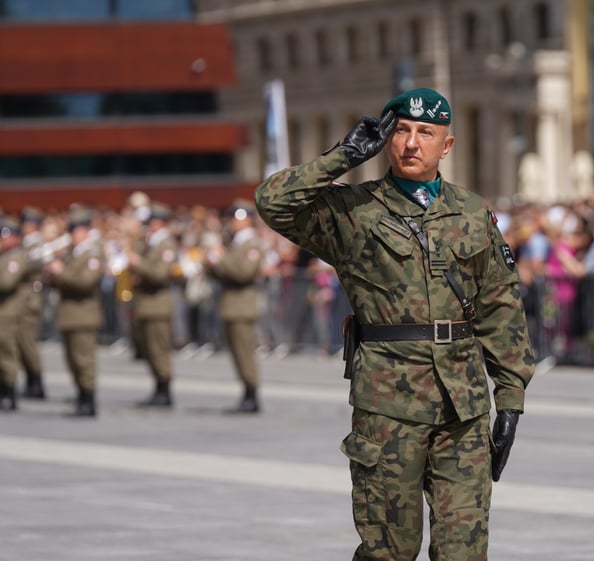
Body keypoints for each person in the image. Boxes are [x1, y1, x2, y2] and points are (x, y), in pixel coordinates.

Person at [255, 87, 535, 560]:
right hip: (388, 409)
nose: (411, 143)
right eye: (401, 131)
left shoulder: (471, 213)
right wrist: (342, 156)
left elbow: (500, 305)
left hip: (462, 410)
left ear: (446, 146)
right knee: (388, 551)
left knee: (465, 552)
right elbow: (272, 202)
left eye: (425, 133)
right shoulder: (353, 211)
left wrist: (510, 396)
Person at [204, 199, 264, 413]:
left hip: (242, 306)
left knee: (245, 352)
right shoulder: (234, 243)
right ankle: (246, 392)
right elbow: (223, 273)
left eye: (237, 218)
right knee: (237, 353)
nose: (232, 222)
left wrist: (221, 259)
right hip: (231, 305)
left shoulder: (251, 244)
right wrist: (211, 264)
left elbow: (243, 273)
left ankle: (251, 394)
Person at [44, 206, 104, 417]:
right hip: (69, 315)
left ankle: (88, 400)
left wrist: (61, 272)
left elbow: (86, 282)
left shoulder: (93, 253)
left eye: (74, 230)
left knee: (84, 361)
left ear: (85, 231)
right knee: (72, 361)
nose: (71, 235)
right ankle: (80, 396)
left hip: (83, 315)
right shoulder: (71, 254)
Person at [127, 202, 177, 407]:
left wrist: (139, 264)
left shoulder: (166, 244)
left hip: (158, 306)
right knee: (149, 350)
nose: (149, 226)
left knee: (159, 350)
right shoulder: (151, 242)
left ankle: (164, 389)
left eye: (151, 222)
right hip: (146, 305)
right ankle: (158, 387)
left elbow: (160, 274)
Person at [18, 206, 47, 399]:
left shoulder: (36, 246)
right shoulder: (26, 244)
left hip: (30, 300)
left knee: (27, 342)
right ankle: (30, 380)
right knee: (21, 342)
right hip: (22, 300)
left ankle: (36, 382)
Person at [0, 215, 27, 411]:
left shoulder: (16, 257)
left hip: (9, 314)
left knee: (7, 355)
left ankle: (9, 392)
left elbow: (6, 282)